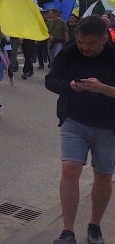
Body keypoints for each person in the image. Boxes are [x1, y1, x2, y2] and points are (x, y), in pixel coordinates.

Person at [45, 16, 115, 244]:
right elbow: (51, 80)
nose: (84, 47)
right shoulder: (69, 52)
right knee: (70, 169)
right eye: (81, 41)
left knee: (103, 175)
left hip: (108, 126)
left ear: (104, 39)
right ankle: (68, 232)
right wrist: (69, 86)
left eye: (91, 43)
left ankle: (95, 226)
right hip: (74, 120)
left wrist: (102, 89)